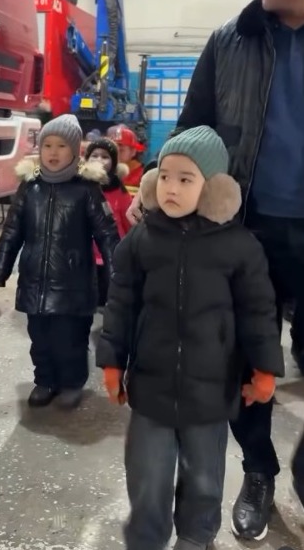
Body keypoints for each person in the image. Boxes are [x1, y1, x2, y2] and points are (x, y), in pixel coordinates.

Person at [140, 0, 304, 541]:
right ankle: (257, 471)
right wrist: (158, 182)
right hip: (246, 232)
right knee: (243, 360)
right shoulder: (229, 41)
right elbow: (190, 127)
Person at [96, 126, 284, 550]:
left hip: (211, 392)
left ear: (213, 188)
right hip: (151, 387)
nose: (171, 188)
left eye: (186, 179)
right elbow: (121, 302)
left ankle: (196, 536)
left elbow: (258, 313)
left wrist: (265, 370)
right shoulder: (142, 240)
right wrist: (112, 360)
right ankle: (146, 538)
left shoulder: (239, 247)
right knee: (147, 475)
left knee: (203, 476)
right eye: (165, 176)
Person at [0, 114, 120, 410]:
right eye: (47, 145)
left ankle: (72, 382)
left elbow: (107, 234)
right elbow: (12, 230)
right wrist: (1, 267)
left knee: (70, 339)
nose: (53, 152)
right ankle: (45, 380)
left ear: (74, 151)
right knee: (40, 338)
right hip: (34, 281)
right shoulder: (29, 188)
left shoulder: (87, 189)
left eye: (61, 146)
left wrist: (117, 275)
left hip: (73, 283)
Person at [84, 137, 131, 304]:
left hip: (111, 256)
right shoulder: (80, 187)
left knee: (108, 300)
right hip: (85, 257)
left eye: (105, 156)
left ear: (114, 162)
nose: (99, 160)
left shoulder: (119, 189)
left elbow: (128, 220)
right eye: (94, 155)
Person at [107, 125, 145, 194]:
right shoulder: (106, 172)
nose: (116, 154)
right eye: (113, 149)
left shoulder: (143, 176)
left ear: (133, 152)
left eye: (121, 150)